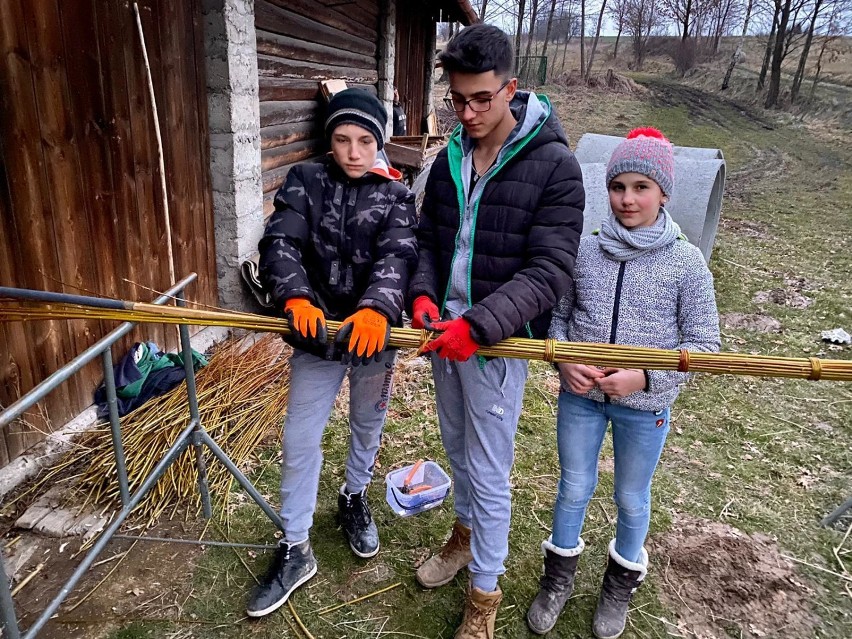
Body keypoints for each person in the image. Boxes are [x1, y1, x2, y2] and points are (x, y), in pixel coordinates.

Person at [408, 23, 585, 639]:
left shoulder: (555, 165)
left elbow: (550, 270)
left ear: (512, 87)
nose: (469, 112)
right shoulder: (450, 155)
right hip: (441, 334)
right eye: (458, 99)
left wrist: (479, 326)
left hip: (495, 343)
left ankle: (484, 595)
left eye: (483, 99)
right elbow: (428, 238)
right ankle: (464, 534)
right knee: (456, 447)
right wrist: (425, 293)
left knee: (488, 467)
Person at [526, 127, 720, 638]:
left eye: (641, 187)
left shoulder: (686, 262)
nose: (628, 199)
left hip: (644, 406)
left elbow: (705, 345)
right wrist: (564, 363)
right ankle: (557, 579)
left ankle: (619, 586)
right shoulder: (587, 251)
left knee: (631, 497)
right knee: (573, 488)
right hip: (581, 398)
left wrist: (646, 375)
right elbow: (560, 319)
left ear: (664, 193)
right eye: (618, 187)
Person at [247, 88, 418, 618]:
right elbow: (280, 242)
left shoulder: (396, 194)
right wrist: (294, 294)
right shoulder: (305, 181)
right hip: (316, 334)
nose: (352, 151)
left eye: (365, 140)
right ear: (329, 141)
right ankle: (295, 545)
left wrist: (378, 307)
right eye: (342, 139)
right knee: (300, 436)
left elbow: (399, 255)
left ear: (380, 143)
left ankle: (353, 496)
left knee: (368, 423)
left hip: (374, 337)